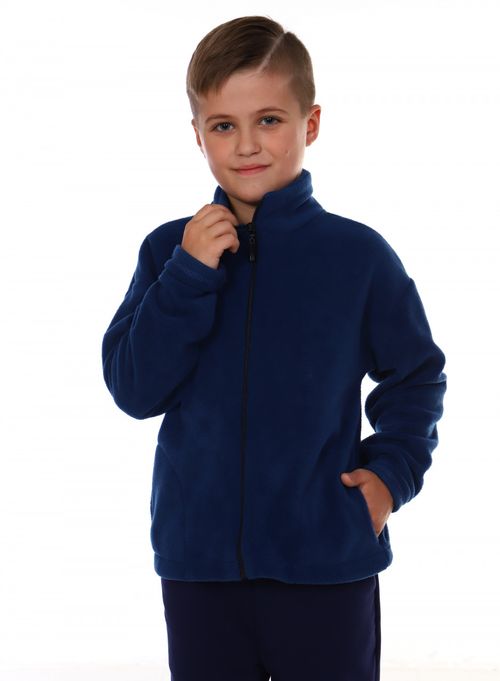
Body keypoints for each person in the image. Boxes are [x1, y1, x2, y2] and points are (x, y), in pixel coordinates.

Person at [101, 15, 447, 681]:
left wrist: (390, 476)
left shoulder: (357, 256)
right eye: (222, 125)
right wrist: (189, 274)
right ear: (197, 134)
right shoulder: (169, 251)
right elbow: (135, 389)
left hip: (326, 561)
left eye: (268, 120)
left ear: (309, 124)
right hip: (199, 566)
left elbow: (416, 375)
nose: (246, 145)